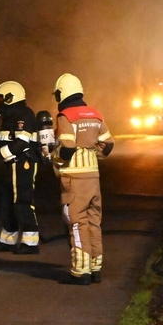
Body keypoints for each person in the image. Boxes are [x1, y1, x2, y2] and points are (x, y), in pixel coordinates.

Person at [51, 73, 114, 285]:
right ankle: (95, 268)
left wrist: (56, 159)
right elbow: (109, 144)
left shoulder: (65, 116)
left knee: (77, 223)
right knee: (93, 222)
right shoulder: (95, 114)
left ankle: (80, 271)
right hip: (93, 178)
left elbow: (67, 147)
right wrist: (93, 155)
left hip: (74, 179)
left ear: (61, 94)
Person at [0, 80, 40, 254]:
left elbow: (22, 143)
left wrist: (0, 154)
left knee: (22, 201)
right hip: (9, 166)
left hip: (22, 165)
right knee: (6, 203)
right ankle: (7, 241)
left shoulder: (24, 115)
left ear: (10, 98)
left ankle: (30, 243)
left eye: (1, 98)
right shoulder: (9, 117)